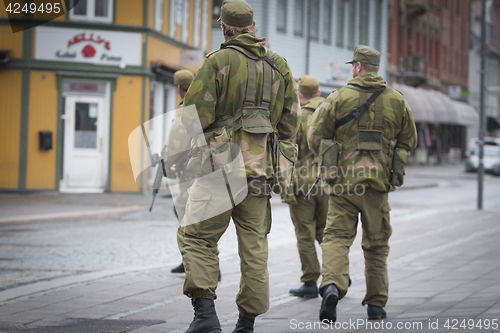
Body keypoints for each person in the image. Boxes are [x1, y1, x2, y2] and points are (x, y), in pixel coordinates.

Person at [176, 1, 300, 332]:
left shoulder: (218, 62)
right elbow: (290, 124)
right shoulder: (279, 66)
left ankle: (205, 316)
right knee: (255, 248)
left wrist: (175, 155)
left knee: (196, 237)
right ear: (254, 26)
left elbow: (193, 117)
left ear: (223, 27)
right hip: (260, 172)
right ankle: (246, 323)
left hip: (218, 169)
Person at [307, 45, 417, 323]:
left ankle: (332, 285)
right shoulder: (397, 100)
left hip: (344, 185)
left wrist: (332, 162)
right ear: (375, 67)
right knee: (377, 245)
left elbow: (315, 138)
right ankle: (376, 305)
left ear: (356, 67)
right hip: (377, 187)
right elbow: (409, 142)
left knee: (335, 238)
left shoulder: (337, 97)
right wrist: (393, 167)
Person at [286, 75, 328, 299]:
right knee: (327, 232)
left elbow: (288, 151)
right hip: (329, 181)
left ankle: (310, 282)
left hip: (303, 183)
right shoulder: (330, 113)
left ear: (300, 95)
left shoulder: (297, 116)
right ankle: (336, 275)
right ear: (319, 93)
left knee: (305, 234)